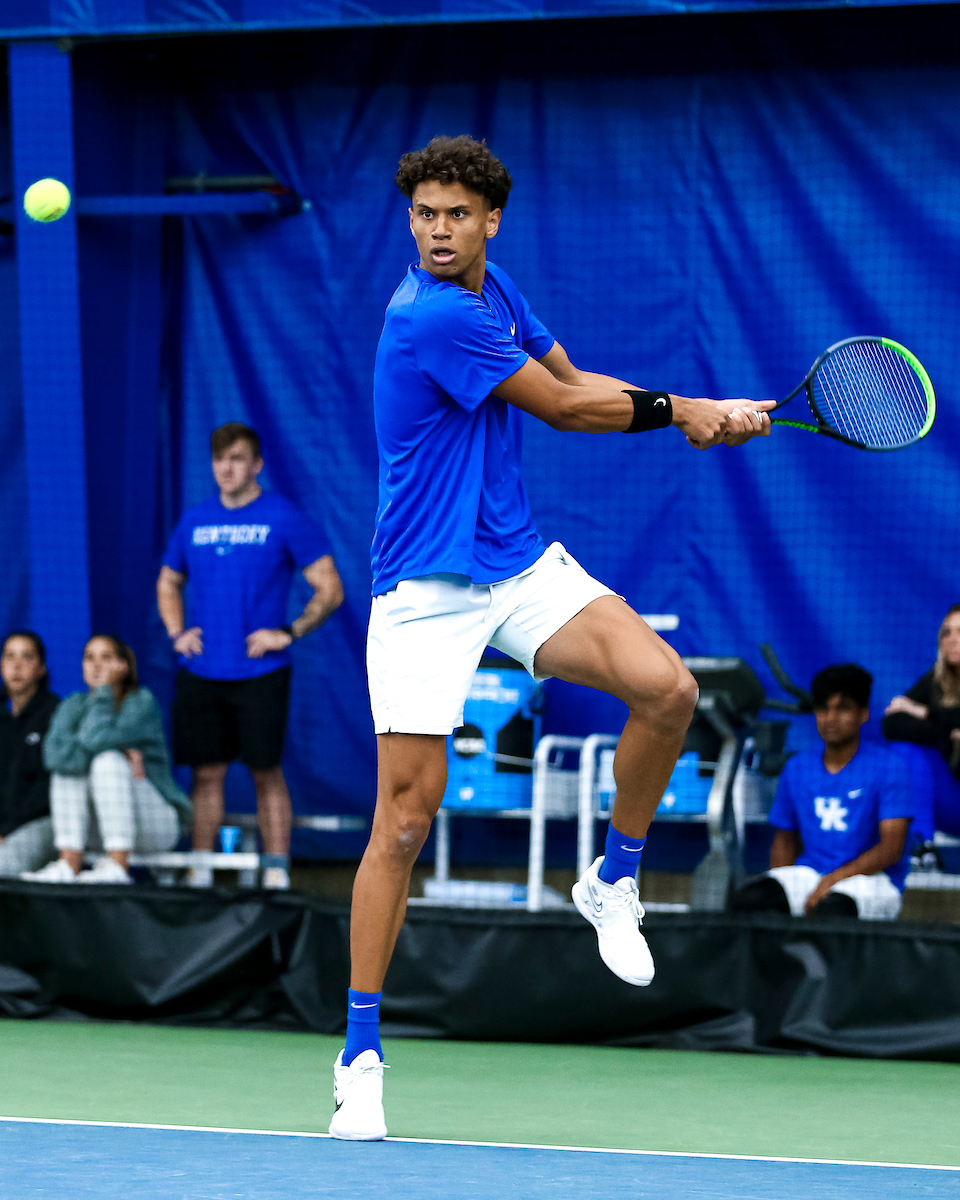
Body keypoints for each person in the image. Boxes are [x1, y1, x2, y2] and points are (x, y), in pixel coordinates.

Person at [328, 134, 773, 1141]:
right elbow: (570, 412)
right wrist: (682, 411)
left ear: (491, 222)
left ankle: (612, 878)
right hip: (424, 593)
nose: (437, 230)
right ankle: (360, 1054)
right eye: (423, 215)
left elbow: (574, 372)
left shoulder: (495, 291)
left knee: (667, 690)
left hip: (516, 566)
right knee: (402, 823)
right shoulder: (428, 315)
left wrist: (705, 409)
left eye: (455, 215)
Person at [157, 423, 343, 891]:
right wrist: (177, 632)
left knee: (266, 771)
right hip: (202, 670)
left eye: (237, 458)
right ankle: (201, 867)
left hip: (260, 671)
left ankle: (276, 867)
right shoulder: (194, 521)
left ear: (257, 464)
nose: (226, 467)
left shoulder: (282, 516)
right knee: (206, 773)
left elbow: (330, 586)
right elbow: (168, 581)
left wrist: (288, 631)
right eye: (219, 458)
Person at [731, 664, 913, 920]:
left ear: (863, 714)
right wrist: (782, 896)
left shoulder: (889, 767)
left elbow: (892, 848)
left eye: (843, 708)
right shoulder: (797, 768)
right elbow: (784, 839)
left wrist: (833, 880)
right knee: (753, 902)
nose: (830, 718)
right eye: (823, 708)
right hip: (811, 873)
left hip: (872, 881)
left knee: (831, 912)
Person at [21, 636, 190, 883]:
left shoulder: (141, 702)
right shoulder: (71, 705)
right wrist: (86, 752)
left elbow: (97, 739)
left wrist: (102, 694)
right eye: (89, 658)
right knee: (68, 769)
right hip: (98, 828)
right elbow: (54, 758)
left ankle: (118, 866)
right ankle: (69, 864)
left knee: (107, 761)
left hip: (155, 825)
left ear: (123, 666)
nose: (96, 665)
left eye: (106, 658)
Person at [882, 603, 960, 847]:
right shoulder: (935, 682)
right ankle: (922, 846)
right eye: (947, 632)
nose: (952, 640)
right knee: (907, 750)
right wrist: (948, 732)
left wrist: (922, 712)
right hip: (952, 805)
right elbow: (893, 724)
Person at [0, 632, 60, 877]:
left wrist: (8, 829)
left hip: (43, 823)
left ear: (41, 668)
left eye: (26, 657)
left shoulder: (56, 715)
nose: (16, 665)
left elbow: (47, 788)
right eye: (10, 657)